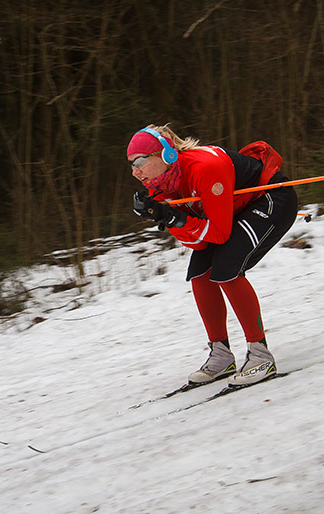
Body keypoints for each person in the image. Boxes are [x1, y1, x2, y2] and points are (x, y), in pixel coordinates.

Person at [127, 124, 298, 386]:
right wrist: (170, 218)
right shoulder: (160, 186)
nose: (135, 171)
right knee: (200, 273)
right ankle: (221, 355)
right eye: (131, 164)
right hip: (233, 210)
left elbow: (217, 234)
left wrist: (175, 217)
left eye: (140, 161)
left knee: (227, 268)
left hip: (271, 199)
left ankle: (261, 356)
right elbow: (197, 244)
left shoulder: (204, 168)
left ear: (166, 155)